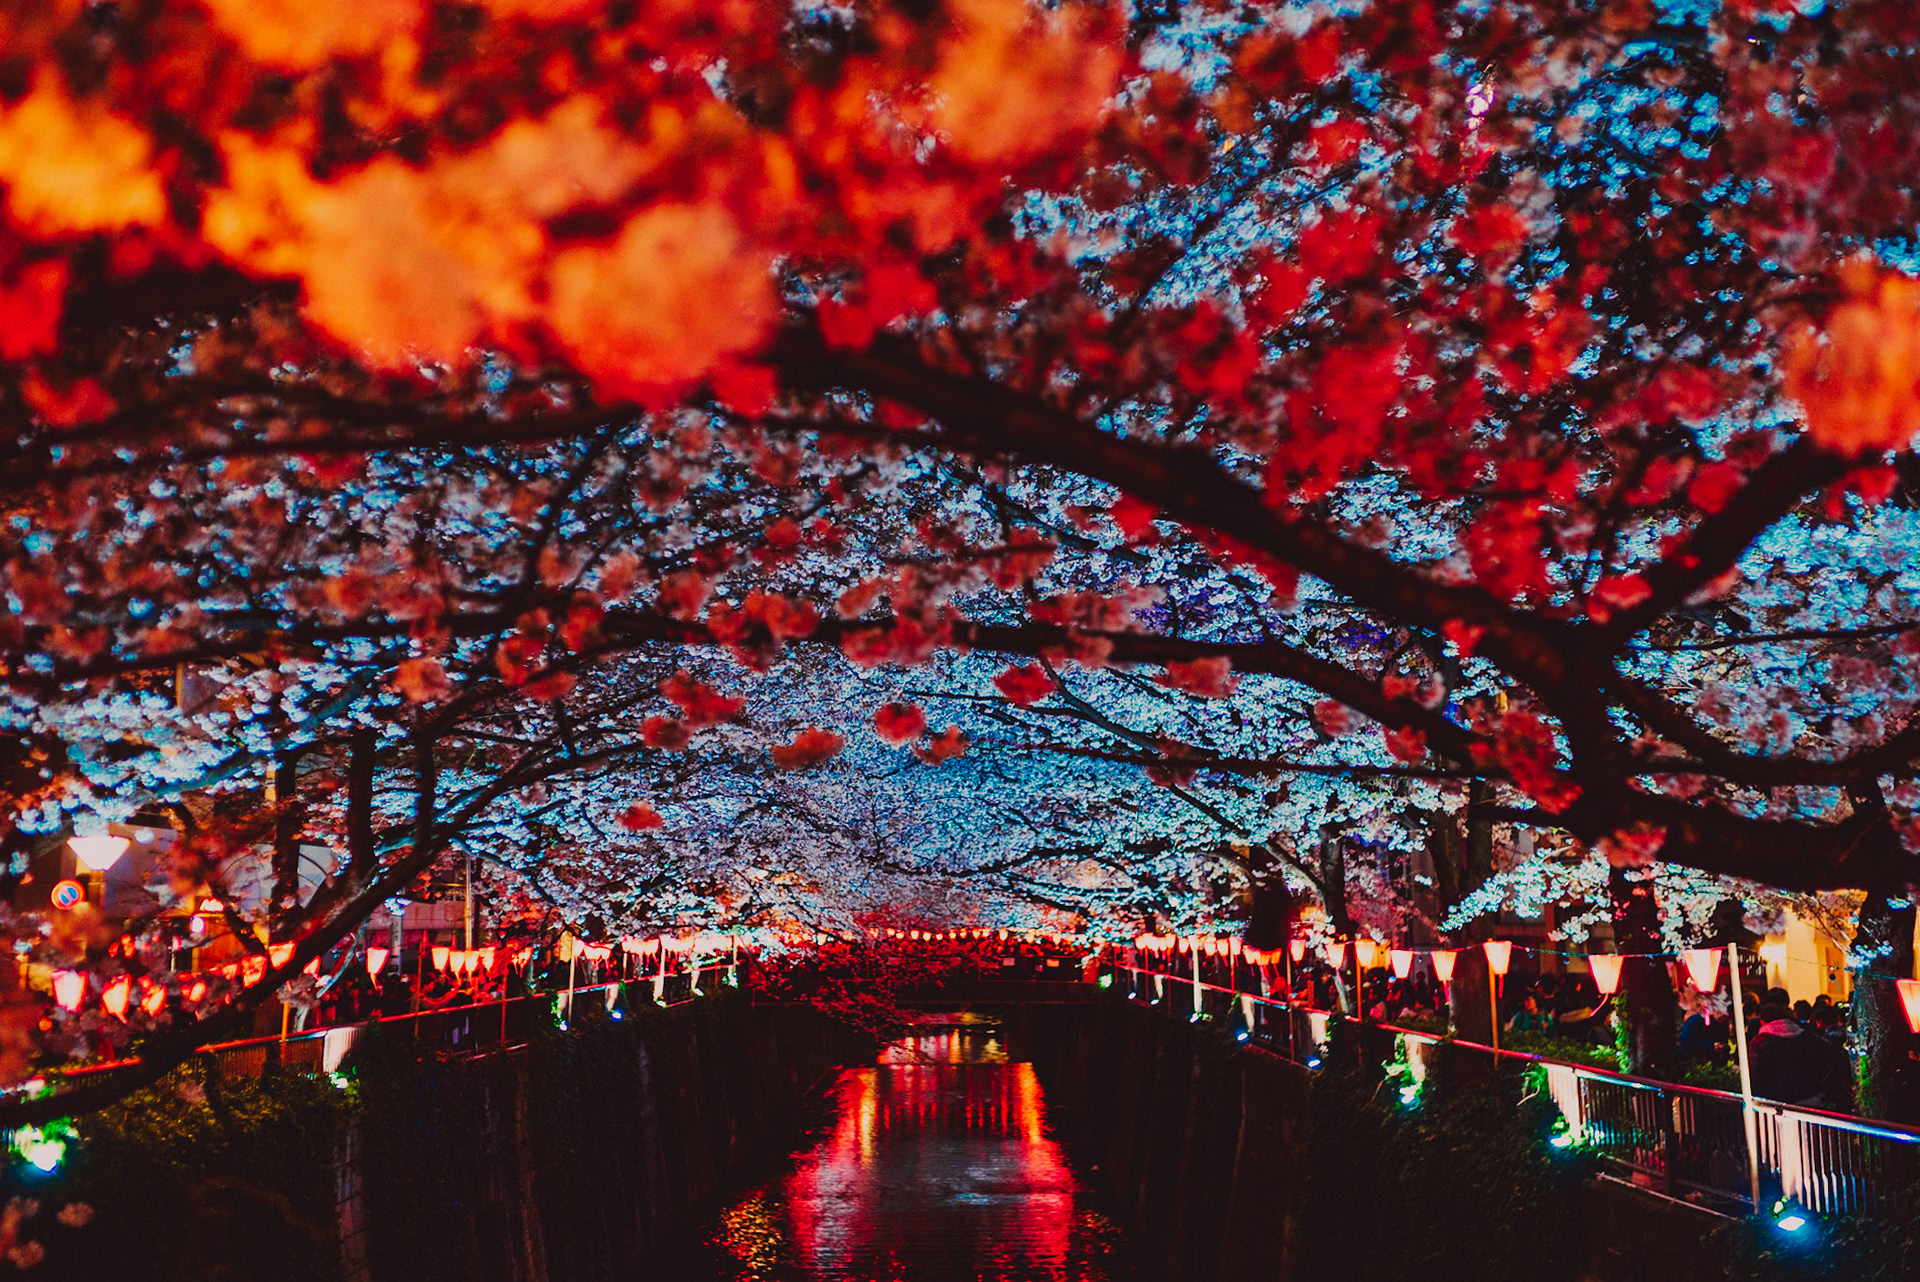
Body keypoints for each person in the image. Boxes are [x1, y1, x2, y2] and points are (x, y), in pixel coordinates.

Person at [1748, 1001, 1853, 1109]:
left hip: (1776, 1103)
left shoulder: (1758, 1043)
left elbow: (1757, 1076)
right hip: (1811, 1097)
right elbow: (1836, 1058)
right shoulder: (1807, 1036)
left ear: (1762, 1021)